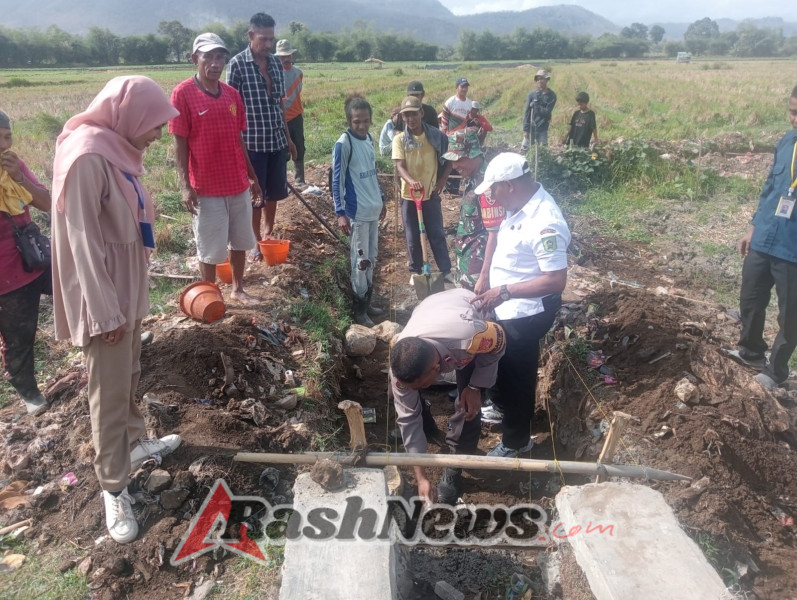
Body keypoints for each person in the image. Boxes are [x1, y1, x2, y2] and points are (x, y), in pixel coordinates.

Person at [51, 76, 183, 544]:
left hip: (125, 286)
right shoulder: (88, 156)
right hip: (103, 294)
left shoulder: (115, 149)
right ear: (130, 115)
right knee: (106, 393)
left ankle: (134, 443)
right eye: (154, 124)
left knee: (128, 372)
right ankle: (113, 486)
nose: (158, 134)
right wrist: (106, 312)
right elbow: (82, 240)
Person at [472, 153, 570, 457]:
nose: (490, 195)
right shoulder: (519, 206)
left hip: (527, 313)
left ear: (510, 185)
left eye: (494, 189)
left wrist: (504, 292)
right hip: (507, 304)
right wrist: (487, 275)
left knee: (518, 373)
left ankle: (517, 442)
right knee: (500, 358)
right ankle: (502, 408)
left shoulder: (545, 222)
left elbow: (555, 280)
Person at [170, 33, 261, 305]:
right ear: (194, 58)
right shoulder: (183, 94)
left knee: (241, 240)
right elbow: (180, 144)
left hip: (236, 183)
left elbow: (238, 139)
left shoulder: (232, 95)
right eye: (208, 56)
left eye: (220, 56)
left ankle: (237, 288)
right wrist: (185, 186)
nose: (215, 62)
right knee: (209, 248)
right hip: (206, 187)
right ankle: (209, 297)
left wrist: (252, 177)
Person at [391, 288, 505, 505]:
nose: (422, 387)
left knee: (467, 409)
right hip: (428, 308)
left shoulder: (470, 339)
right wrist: (421, 478)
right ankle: (428, 429)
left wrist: (475, 387)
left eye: (424, 385)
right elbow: (407, 419)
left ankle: (455, 465)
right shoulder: (399, 368)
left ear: (438, 368)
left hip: (462, 308)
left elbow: (499, 344)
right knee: (404, 404)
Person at [730, 85, 797, 390]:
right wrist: (753, 227)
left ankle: (776, 371)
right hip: (766, 236)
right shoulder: (786, 141)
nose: (794, 119)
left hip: (793, 249)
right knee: (751, 298)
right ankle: (751, 351)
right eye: (792, 112)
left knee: (791, 314)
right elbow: (770, 190)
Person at [227, 13, 297, 258]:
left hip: (277, 140)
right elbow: (231, 109)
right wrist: (235, 147)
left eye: (271, 39)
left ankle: (268, 232)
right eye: (263, 39)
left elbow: (280, 105)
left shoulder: (277, 64)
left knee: (274, 192)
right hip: (252, 143)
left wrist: (288, 139)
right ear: (251, 35)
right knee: (257, 195)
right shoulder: (237, 65)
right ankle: (255, 240)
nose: (268, 45)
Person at [0, 110, 52, 416]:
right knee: (19, 334)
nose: (3, 146)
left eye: (7, 138)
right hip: (6, 275)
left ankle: (112, 343)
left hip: (35, 255)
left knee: (83, 287)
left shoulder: (14, 166)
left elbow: (45, 203)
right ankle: (27, 390)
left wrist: (20, 179)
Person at [331, 96, 386, 327]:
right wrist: (340, 212)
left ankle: (368, 302)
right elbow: (337, 179)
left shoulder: (369, 139)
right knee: (360, 260)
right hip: (358, 214)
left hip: (373, 209)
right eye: (356, 122)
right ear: (349, 121)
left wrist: (381, 199)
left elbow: (372, 172)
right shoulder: (344, 144)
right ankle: (359, 310)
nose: (361, 126)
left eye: (365, 121)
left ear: (371, 120)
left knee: (372, 258)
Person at [392, 96, 452, 280]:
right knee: (412, 237)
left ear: (422, 113)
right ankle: (415, 272)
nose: (410, 119)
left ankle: (446, 271)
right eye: (406, 115)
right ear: (403, 118)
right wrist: (411, 181)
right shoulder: (400, 140)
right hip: (409, 196)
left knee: (436, 234)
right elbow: (400, 165)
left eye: (414, 114)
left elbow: (449, 159)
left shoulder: (436, 136)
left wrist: (442, 180)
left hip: (431, 193)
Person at [443, 129, 504, 293]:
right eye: (452, 160)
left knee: (478, 314)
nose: (454, 166)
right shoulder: (471, 177)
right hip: (467, 262)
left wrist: (484, 276)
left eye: (459, 159)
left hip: (479, 269)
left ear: (475, 154)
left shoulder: (488, 185)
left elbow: (495, 234)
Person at [275, 39, 306, 185]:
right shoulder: (274, 74)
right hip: (280, 119)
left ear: (292, 56)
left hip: (296, 117)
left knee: (299, 146)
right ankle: (282, 183)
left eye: (288, 55)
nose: (286, 59)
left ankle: (299, 180)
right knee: (282, 151)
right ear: (278, 57)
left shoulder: (299, 73)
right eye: (283, 56)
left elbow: (297, 92)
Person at [522, 70, 557, 150]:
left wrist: (536, 105)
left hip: (543, 127)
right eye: (537, 79)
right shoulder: (532, 95)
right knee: (528, 151)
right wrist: (526, 130)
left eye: (542, 78)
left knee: (543, 151)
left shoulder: (551, 95)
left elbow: (547, 112)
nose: (539, 81)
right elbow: (527, 113)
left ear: (547, 80)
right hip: (532, 127)